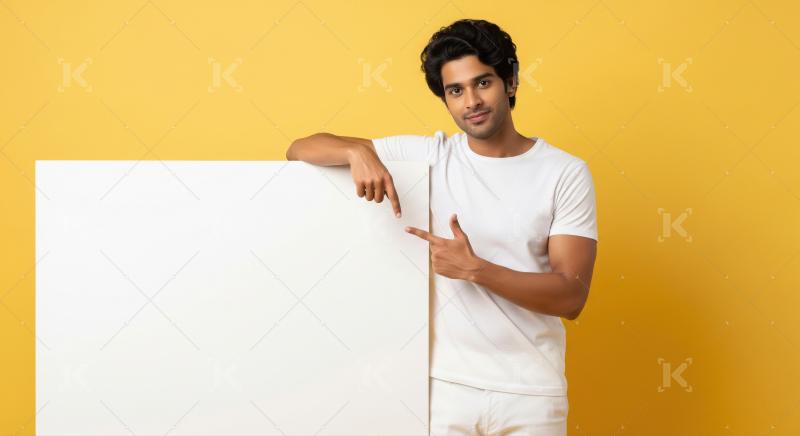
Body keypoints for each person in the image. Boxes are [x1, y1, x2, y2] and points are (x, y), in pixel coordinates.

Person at [286, 18, 597, 436]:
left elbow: (571, 296)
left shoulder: (564, 173)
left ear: (511, 81)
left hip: (531, 394)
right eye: (456, 91)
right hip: (441, 391)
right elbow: (298, 149)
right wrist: (356, 150)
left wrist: (476, 269)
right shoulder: (430, 155)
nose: (471, 100)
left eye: (483, 83)